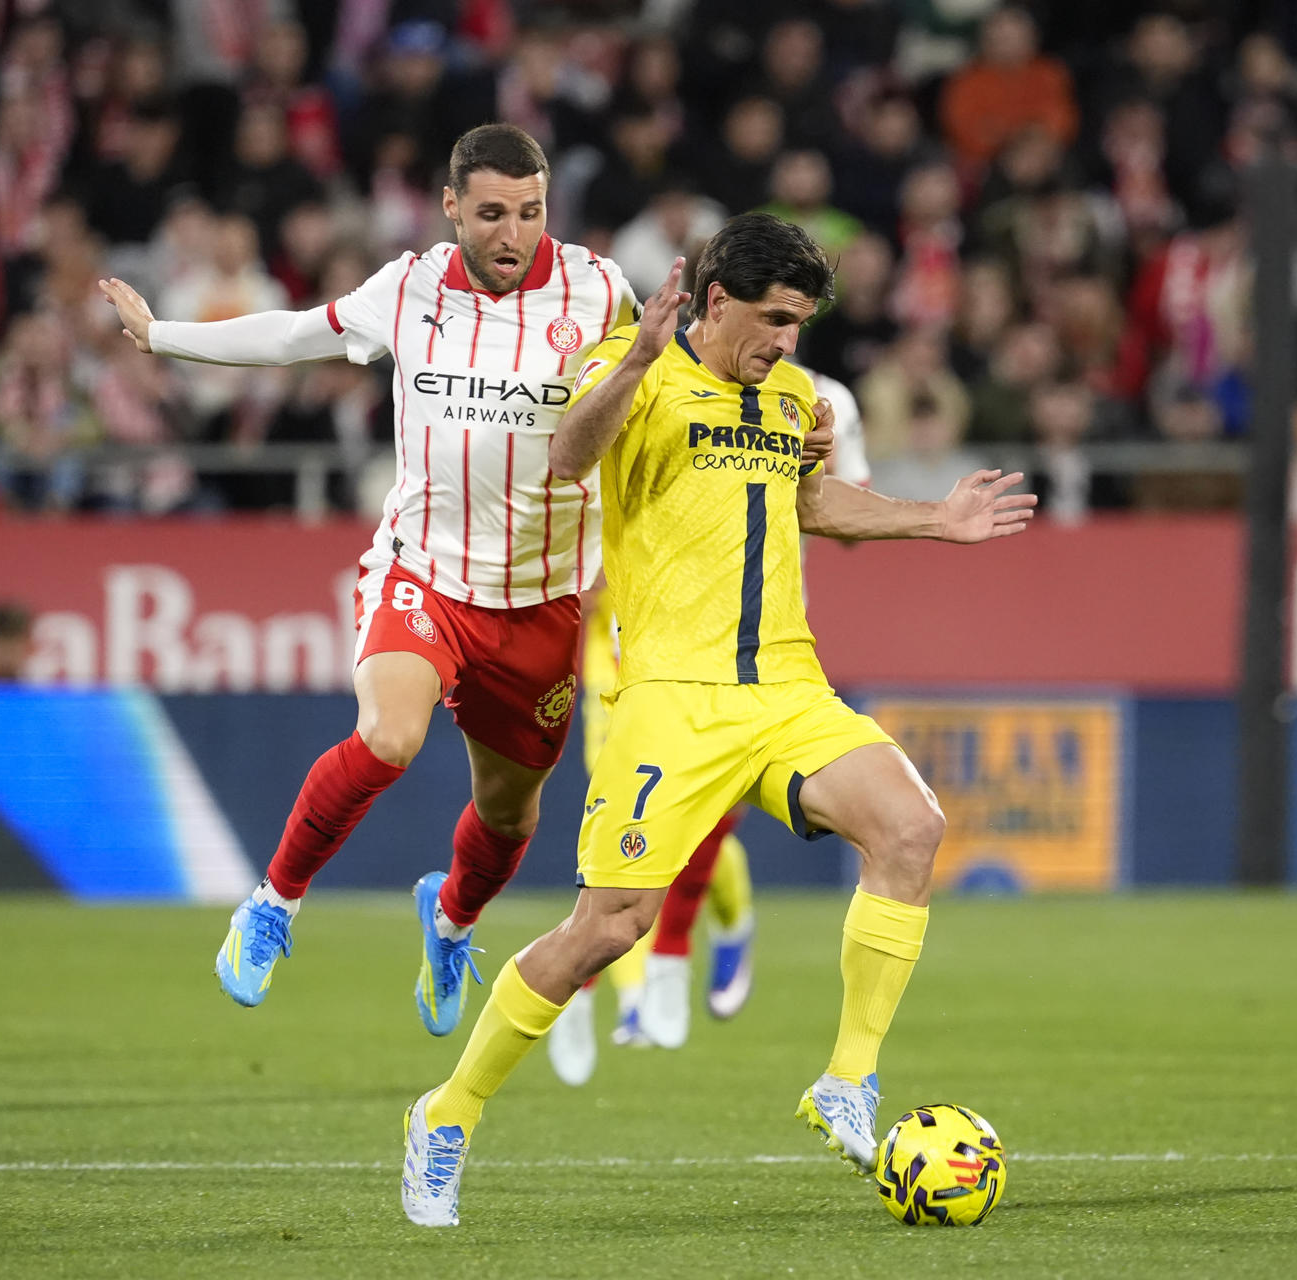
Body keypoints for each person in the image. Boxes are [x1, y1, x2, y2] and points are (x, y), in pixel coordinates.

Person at [399, 213, 1036, 1227]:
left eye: (800, 323)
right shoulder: (638, 368)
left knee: (912, 827)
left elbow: (814, 505)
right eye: (774, 319)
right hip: (672, 697)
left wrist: (935, 520)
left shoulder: (792, 397)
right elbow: (568, 459)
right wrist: (638, 360)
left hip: (786, 685)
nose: (787, 342)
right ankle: (447, 1111)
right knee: (608, 929)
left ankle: (847, 1079)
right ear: (714, 301)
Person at [97, 123, 648, 1038]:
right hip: (422, 573)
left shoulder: (599, 290)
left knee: (509, 818)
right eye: (492, 214)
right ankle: (273, 904)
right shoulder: (412, 286)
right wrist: (165, 337)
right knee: (389, 736)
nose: (513, 234)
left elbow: (664, 394)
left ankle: (452, 920)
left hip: (544, 597)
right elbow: (295, 336)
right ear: (451, 208)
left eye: (530, 212)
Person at [544, 367, 872, 1085]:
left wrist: (829, 469)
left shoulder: (823, 398)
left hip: (762, 638)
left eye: (796, 314)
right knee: (628, 814)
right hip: (639, 630)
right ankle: (608, 982)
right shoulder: (650, 377)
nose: (783, 331)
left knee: (703, 815)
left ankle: (671, 953)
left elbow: (837, 515)